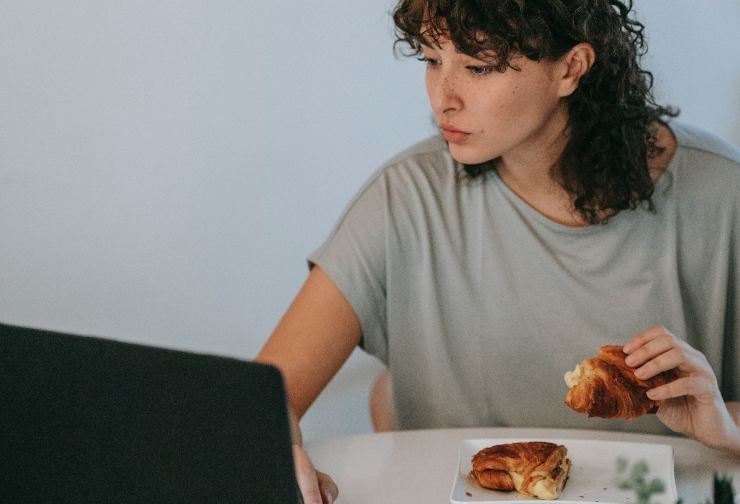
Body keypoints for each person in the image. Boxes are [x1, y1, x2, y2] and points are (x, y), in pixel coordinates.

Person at [257, 0, 740, 502]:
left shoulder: (724, 195)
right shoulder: (404, 198)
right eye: (430, 59)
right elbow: (261, 401)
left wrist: (725, 424)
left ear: (571, 68)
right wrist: (278, 457)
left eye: (478, 66)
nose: (442, 98)